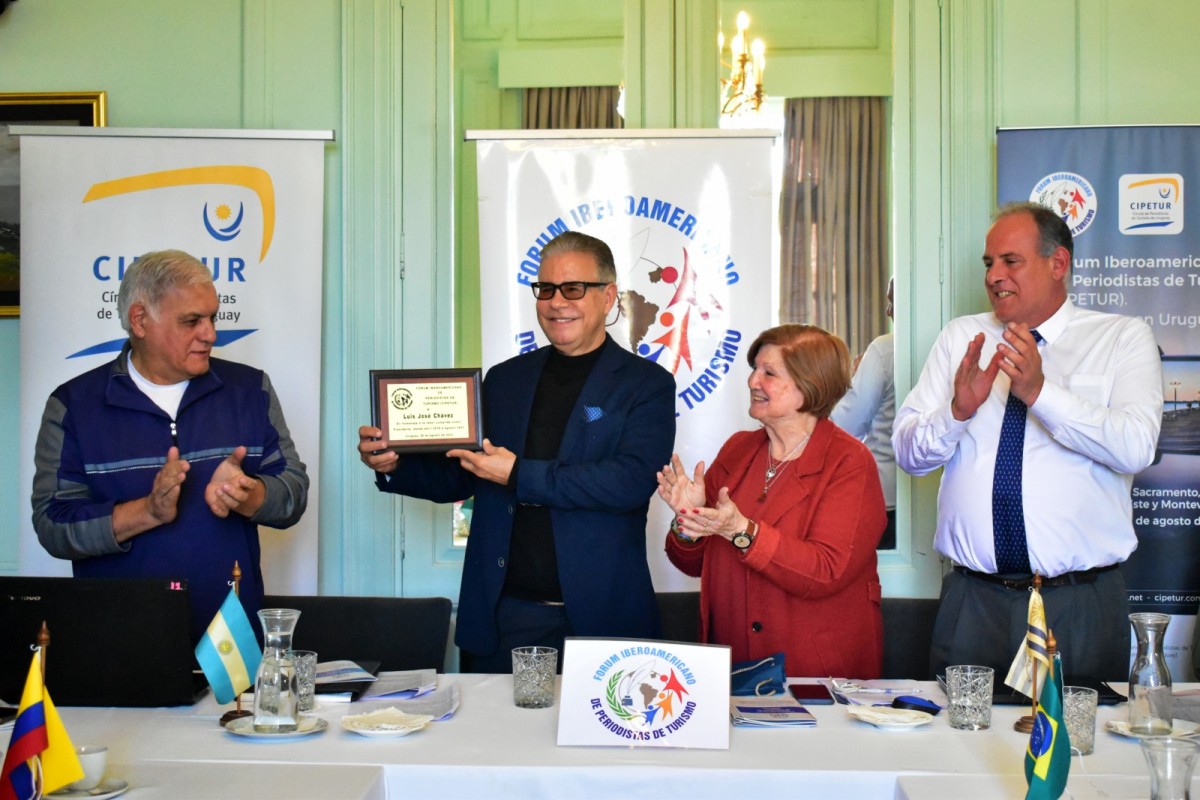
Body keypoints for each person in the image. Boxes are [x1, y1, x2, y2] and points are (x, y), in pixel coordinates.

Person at [358, 231, 676, 673]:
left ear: (607, 298)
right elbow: (463, 473)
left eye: (572, 289)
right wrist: (395, 465)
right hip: (505, 617)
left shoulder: (647, 385)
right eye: (545, 289)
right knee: (491, 743)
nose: (556, 302)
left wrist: (518, 474)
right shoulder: (506, 380)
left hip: (602, 619)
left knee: (603, 742)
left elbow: (629, 482)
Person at [893, 202, 1163, 681]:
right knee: (958, 751)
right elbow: (910, 457)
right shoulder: (962, 339)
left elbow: (1136, 447)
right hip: (973, 603)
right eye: (988, 263)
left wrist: (1040, 393)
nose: (994, 275)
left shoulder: (1122, 338)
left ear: (1057, 263)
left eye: (1010, 261)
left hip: (1078, 604)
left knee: (1080, 755)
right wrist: (958, 412)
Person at [32, 249, 309, 644]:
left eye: (212, 317)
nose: (210, 333)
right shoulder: (73, 405)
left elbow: (293, 492)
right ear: (140, 320)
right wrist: (147, 511)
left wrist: (250, 495)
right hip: (118, 642)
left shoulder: (250, 389)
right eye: (192, 321)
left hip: (232, 646)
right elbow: (52, 524)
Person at [658, 324, 887, 679]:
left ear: (810, 384)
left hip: (814, 669)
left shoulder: (849, 461)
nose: (752, 381)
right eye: (754, 370)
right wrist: (688, 521)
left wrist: (742, 530)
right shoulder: (738, 449)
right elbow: (695, 563)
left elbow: (826, 571)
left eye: (769, 373)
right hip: (730, 661)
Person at [832, 277, 896, 549]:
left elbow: (844, 426)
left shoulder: (884, 350)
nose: (888, 312)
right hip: (933, 501)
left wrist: (851, 381)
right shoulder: (950, 344)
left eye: (893, 301)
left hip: (884, 498)